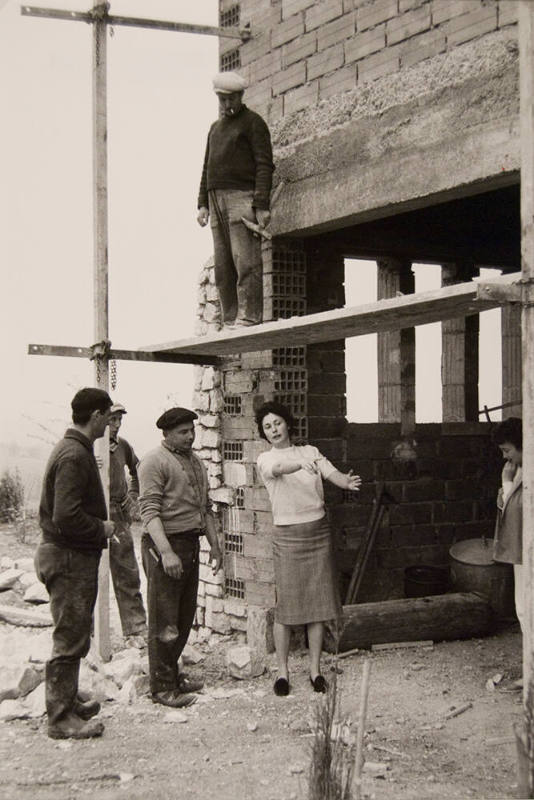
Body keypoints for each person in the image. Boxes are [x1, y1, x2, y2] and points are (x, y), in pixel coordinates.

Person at [255, 402, 362, 696]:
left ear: (287, 424)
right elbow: (279, 468)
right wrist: (296, 464)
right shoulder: (265, 459)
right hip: (287, 537)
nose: (274, 429)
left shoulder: (310, 452)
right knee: (286, 609)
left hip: (317, 533)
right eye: (267, 426)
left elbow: (331, 474)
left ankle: (315, 672)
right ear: (263, 433)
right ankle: (283, 673)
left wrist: (346, 482)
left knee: (316, 607)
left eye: (277, 423)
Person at [35, 388, 116, 739]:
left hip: (70, 555)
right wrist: (102, 527)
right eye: (108, 416)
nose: (111, 423)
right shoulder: (74, 455)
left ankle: (67, 700)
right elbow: (65, 515)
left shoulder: (75, 449)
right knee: (69, 636)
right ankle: (61, 718)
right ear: (96, 416)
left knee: (75, 632)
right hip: (68, 557)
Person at [138, 407, 223, 708]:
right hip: (165, 546)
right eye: (183, 432)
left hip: (189, 544)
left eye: (192, 430)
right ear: (167, 434)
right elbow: (148, 512)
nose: (190, 436)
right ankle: (161, 688)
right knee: (164, 618)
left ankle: (173, 675)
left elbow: (207, 508)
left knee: (184, 616)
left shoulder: (196, 462)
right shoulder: (153, 462)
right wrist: (166, 553)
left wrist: (215, 545)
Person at [197, 70, 274, 329]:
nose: (226, 104)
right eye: (222, 99)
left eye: (231, 99)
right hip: (215, 199)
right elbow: (206, 168)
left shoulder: (254, 123)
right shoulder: (214, 129)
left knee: (246, 260)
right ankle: (230, 318)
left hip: (242, 198)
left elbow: (265, 164)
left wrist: (261, 204)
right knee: (223, 265)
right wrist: (202, 204)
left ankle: (250, 316)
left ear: (240, 96)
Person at [107, 402, 147, 646]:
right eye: (112, 420)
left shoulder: (122, 446)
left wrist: (132, 497)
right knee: (90, 573)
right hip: (92, 513)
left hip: (118, 511)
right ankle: (88, 630)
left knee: (127, 570)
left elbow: (138, 468)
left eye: (120, 420)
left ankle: (135, 627)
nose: (117, 425)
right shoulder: (89, 447)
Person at [493, 417, 523, 633]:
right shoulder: (516, 469)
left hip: (526, 543)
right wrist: (507, 481)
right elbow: (504, 504)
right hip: (519, 544)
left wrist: (508, 484)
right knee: (521, 605)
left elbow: (523, 506)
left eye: (507, 450)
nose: (504, 456)